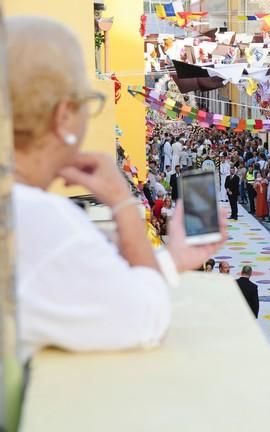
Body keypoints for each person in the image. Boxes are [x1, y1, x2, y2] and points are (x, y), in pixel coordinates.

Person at [9, 16, 226, 362]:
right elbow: (146, 318)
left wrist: (171, 260)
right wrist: (123, 203)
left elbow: (99, 291)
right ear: (63, 115)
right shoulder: (37, 218)